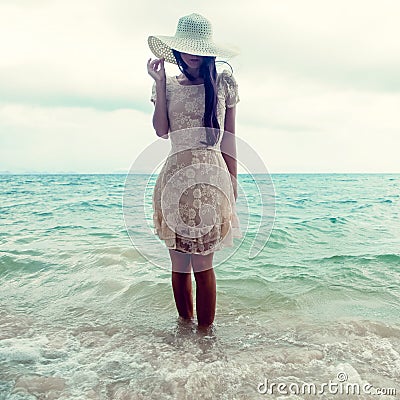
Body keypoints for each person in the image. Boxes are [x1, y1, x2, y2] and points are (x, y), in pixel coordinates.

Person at [146, 13, 242, 330]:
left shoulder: (224, 84)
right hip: (174, 179)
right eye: (187, 48)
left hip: (212, 180)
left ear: (208, 52)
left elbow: (228, 139)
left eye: (199, 49)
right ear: (176, 50)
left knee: (203, 265)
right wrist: (159, 84)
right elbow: (161, 131)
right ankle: (184, 332)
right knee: (178, 264)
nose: (192, 55)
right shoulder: (170, 86)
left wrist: (233, 182)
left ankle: (206, 338)